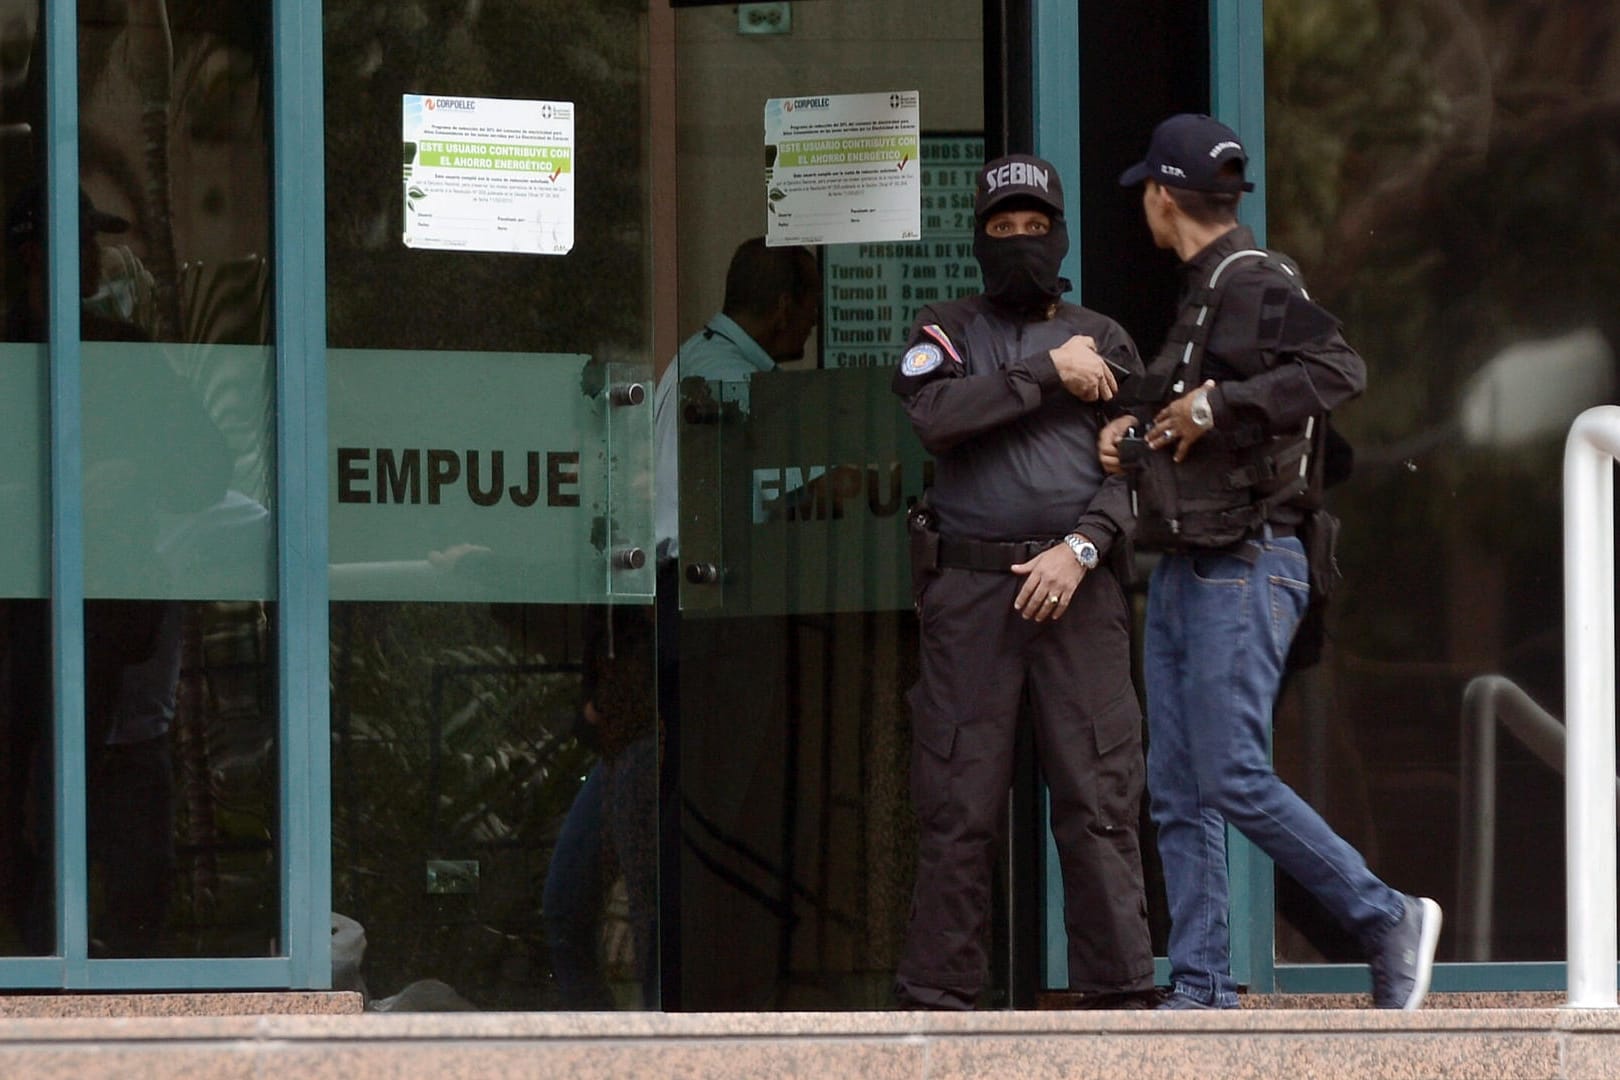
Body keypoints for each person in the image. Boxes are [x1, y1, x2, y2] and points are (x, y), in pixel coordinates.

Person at [1107, 113, 1441, 1010]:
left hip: (1248, 561)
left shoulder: (1255, 280)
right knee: (1178, 790)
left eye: (1144, 190)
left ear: (1160, 195)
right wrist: (1136, 437)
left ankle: (1385, 917)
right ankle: (1204, 982)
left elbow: (1339, 369)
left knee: (1229, 775)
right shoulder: (1209, 292)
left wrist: (1217, 408)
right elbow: (1210, 425)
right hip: (1191, 563)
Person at [891, 153, 1154, 1010]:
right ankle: (941, 1006)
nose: (1018, 244)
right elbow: (935, 417)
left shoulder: (1106, 336)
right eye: (1001, 230)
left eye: (1034, 229)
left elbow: (1137, 469)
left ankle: (1118, 1002)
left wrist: (1079, 549)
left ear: (1060, 234)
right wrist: (1048, 374)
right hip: (970, 594)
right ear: (978, 238)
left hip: (1078, 588)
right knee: (958, 809)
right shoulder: (944, 328)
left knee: (1098, 801)